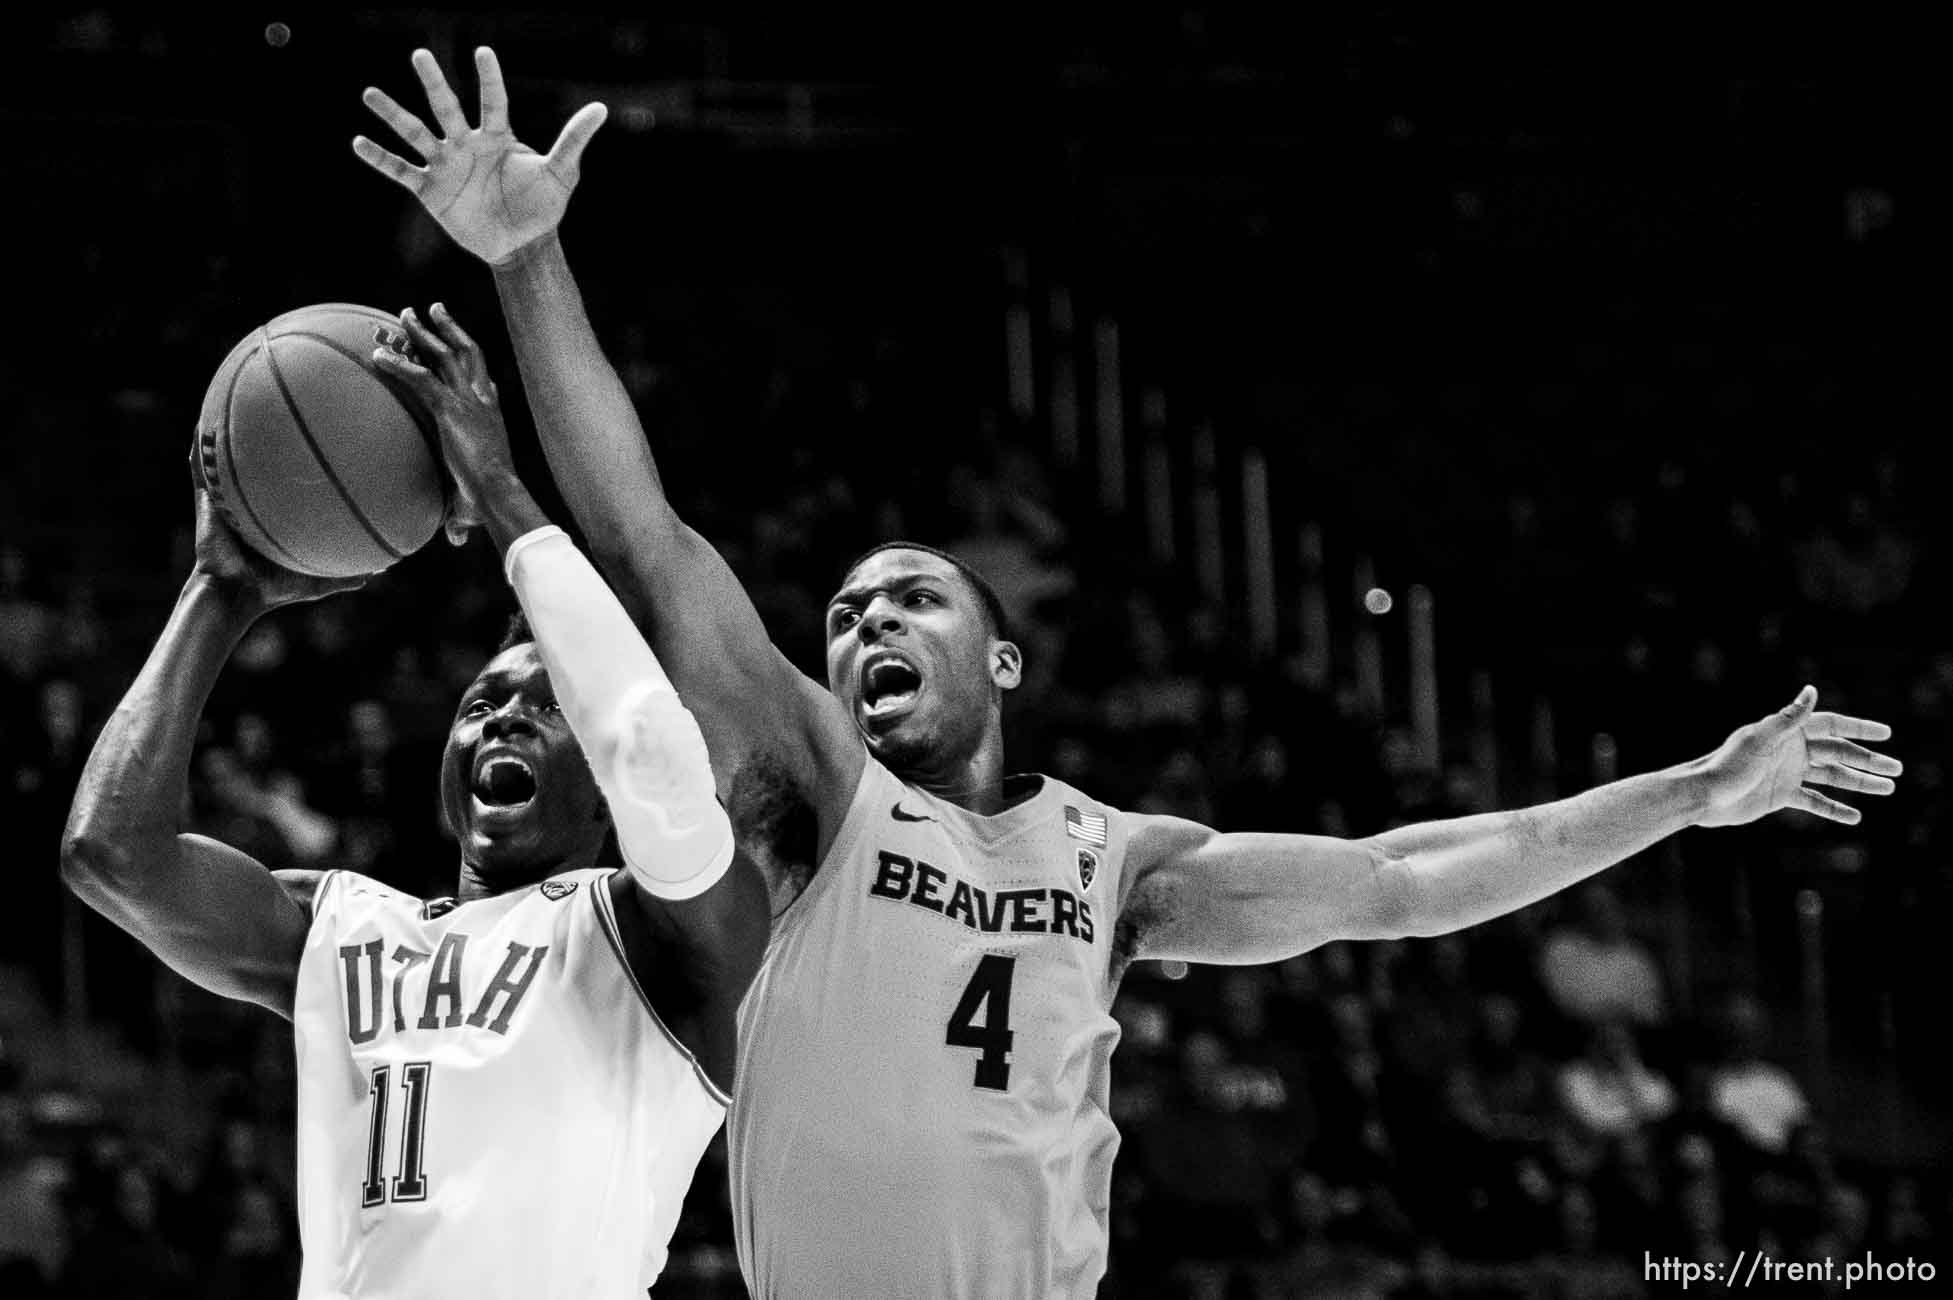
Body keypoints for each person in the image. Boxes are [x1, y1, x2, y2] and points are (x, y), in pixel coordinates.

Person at [352, 48, 1906, 1297]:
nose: (866, 625)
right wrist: (534, 262)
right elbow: (641, 535)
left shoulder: (1113, 868)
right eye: (844, 612)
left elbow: (1407, 877)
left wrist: (1693, 795)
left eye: (913, 600)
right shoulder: (814, 791)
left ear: (1004, 655)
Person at [59, 304, 768, 1298]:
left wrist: (498, 486)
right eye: (483, 702)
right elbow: (112, 857)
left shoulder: (674, 933)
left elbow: (650, 744)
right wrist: (217, 593)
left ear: (603, 779)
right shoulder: (343, 930)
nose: (505, 720)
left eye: (550, 706)